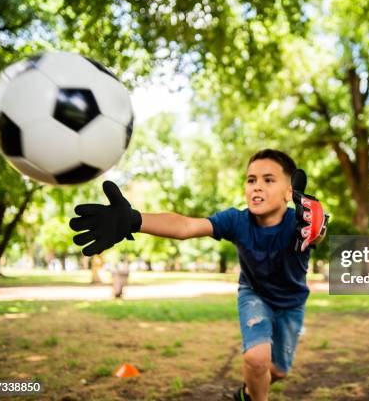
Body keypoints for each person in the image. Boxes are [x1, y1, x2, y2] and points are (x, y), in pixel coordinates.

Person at [68, 149, 328, 401]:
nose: (257, 186)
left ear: (289, 191)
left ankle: (246, 394)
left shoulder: (301, 222)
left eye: (268, 180)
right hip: (254, 295)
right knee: (256, 359)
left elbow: (317, 231)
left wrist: (318, 225)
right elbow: (186, 225)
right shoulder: (236, 220)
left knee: (278, 371)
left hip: (291, 303)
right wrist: (135, 219)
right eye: (251, 180)